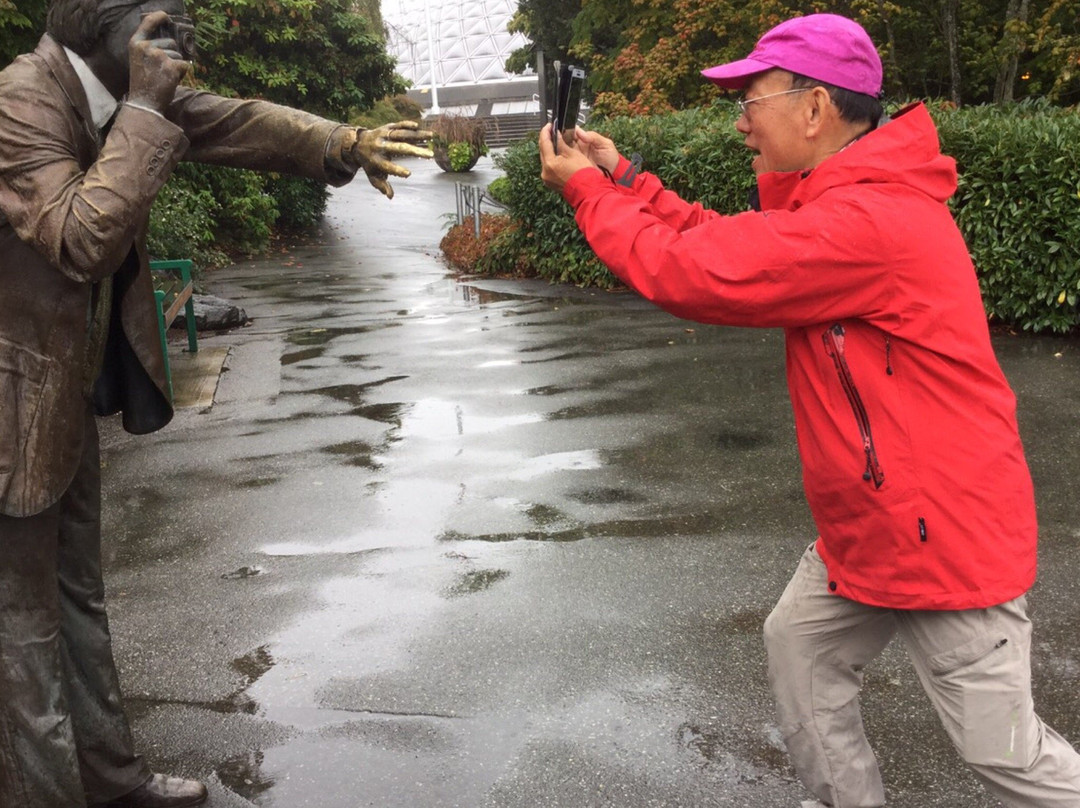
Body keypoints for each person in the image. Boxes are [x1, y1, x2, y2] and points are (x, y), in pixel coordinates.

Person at [538, 12, 1080, 808]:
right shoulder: (840, 205)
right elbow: (724, 241)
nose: (742, 124)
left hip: (942, 540)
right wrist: (625, 179)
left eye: (750, 101)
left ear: (815, 108)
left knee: (1005, 756)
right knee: (801, 651)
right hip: (871, 528)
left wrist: (587, 193)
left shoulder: (869, 222)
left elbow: (695, 273)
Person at [0, 1, 432, 806]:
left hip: (51, 394)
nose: (186, 29)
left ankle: (111, 778)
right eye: (166, 9)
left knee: (76, 598)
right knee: (22, 632)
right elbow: (82, 237)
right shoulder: (20, 101)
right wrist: (140, 110)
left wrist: (343, 140)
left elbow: (235, 121)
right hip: (8, 402)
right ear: (103, 18)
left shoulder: (114, 88)